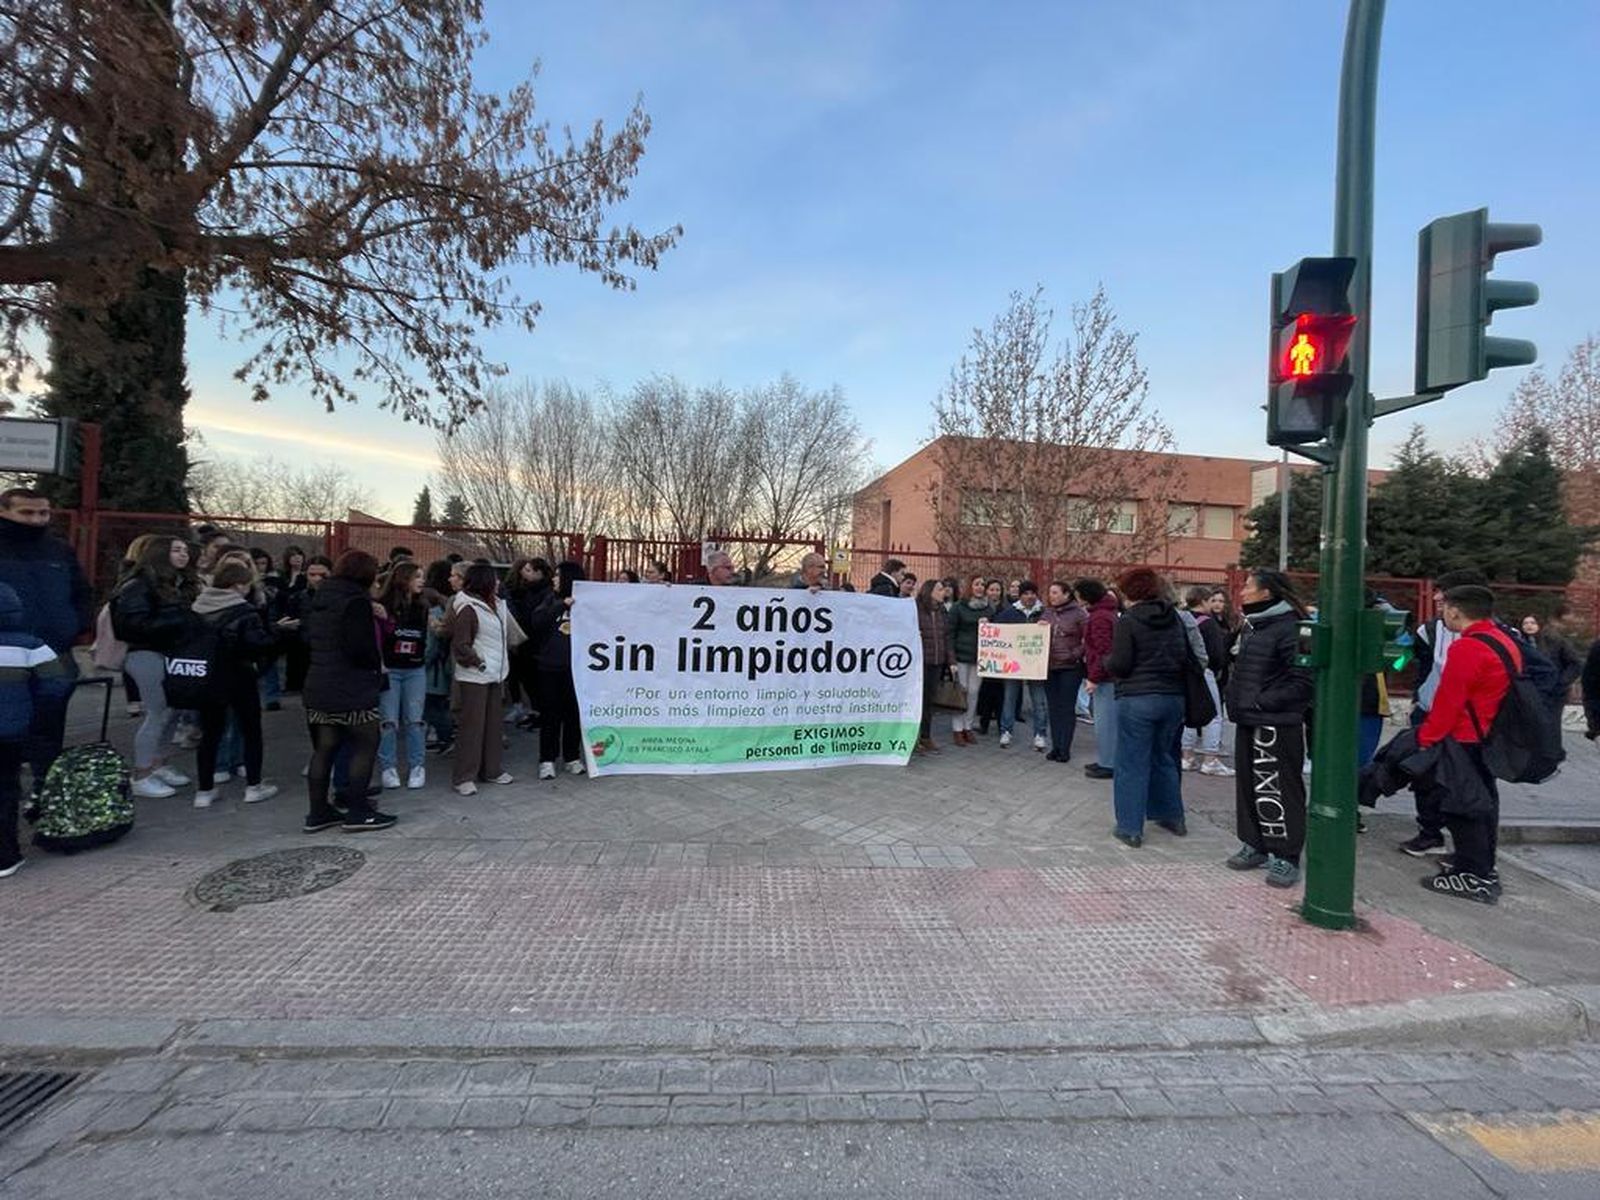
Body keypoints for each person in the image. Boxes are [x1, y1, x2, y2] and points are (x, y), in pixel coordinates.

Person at [1417, 585, 1523, 904]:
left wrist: (1427, 739)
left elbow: (1449, 701)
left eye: (1444, 607)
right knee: (1483, 806)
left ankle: (1472, 876)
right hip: (1487, 737)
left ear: (1455, 610)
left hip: (1464, 739)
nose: (1442, 613)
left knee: (1464, 809)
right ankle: (1481, 870)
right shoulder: (1504, 642)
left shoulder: (1467, 648)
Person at [1222, 570, 1315, 887]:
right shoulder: (1254, 625)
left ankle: (1286, 856)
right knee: (1249, 784)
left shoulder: (1295, 628)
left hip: (1276, 722)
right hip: (1249, 719)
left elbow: (1303, 681)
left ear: (1267, 593)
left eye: (1248, 586)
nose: (1242, 591)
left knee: (1278, 789)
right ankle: (1255, 844)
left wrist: (1262, 702)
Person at [0, 487, 92, 792]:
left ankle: (46, 790)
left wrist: (77, 625)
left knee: (52, 716)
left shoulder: (59, 550)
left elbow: (81, 591)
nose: (36, 519)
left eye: (43, 512)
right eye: (26, 512)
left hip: (55, 650)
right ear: (5, 512)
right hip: (7, 652)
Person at [301, 550, 395, 833]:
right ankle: (358, 811)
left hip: (318, 684)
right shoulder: (356, 603)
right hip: (351, 686)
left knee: (324, 748)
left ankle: (318, 812)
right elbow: (360, 649)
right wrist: (375, 669)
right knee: (365, 743)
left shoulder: (322, 598)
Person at [1402, 568, 1489, 856]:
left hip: (1470, 724)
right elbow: (1412, 664)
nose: (1437, 596)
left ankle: (1472, 852)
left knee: (1466, 785)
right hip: (1429, 713)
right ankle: (1429, 832)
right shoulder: (1428, 631)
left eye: (1445, 591)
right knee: (1425, 777)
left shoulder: (1495, 635)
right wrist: (1416, 695)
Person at [1104, 568, 1190, 848]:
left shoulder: (1128, 621)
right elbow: (1184, 656)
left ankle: (1130, 827)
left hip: (1138, 698)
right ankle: (1172, 815)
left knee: (1131, 763)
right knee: (1163, 756)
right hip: (1173, 698)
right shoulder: (1174, 618)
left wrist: (1107, 663)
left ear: (1129, 592)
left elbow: (1121, 663)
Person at [110, 536, 199, 798]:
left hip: (171, 652)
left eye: (185, 550)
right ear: (160, 554)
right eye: (176, 550)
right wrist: (181, 617)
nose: (183, 555)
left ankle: (159, 763)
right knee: (157, 712)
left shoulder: (174, 584)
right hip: (146, 654)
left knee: (172, 711)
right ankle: (141, 773)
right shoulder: (137, 585)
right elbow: (131, 626)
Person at [189, 561, 282, 808]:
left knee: (210, 734)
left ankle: (204, 790)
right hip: (239, 676)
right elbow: (257, 645)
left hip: (206, 677)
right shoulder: (244, 611)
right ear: (238, 585)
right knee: (251, 730)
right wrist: (276, 633)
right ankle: (253, 786)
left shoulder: (197, 607)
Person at [1, 582, 74, 877]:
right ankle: (5, 856)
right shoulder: (31, 645)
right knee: (6, 790)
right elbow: (56, 685)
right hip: (12, 731)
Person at [449, 562, 517, 795]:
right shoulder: (468, 608)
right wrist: (479, 662)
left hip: (496, 674)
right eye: (494, 579)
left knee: (493, 726)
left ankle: (492, 770)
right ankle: (464, 776)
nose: (498, 582)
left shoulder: (497, 604)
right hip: (474, 676)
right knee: (472, 728)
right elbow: (461, 644)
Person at [375, 561, 431, 791]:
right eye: (417, 576)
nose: (422, 580)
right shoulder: (382, 606)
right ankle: (388, 767)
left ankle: (417, 766)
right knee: (389, 721)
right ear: (404, 579)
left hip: (415, 669)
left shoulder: (422, 605)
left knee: (415, 720)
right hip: (391, 669)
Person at [529, 560, 587, 779]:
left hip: (576, 669)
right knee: (550, 715)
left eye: (558, 575)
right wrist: (562, 605)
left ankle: (572, 757)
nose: (553, 579)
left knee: (573, 714)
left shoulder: (586, 602)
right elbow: (537, 622)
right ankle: (547, 759)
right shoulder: (549, 599)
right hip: (549, 667)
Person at [1180, 585, 1233, 776]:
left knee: (1189, 713)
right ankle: (1211, 759)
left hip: (1184, 671)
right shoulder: (1209, 624)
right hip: (1204, 671)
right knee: (1213, 715)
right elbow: (1217, 654)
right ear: (1203, 601)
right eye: (1212, 600)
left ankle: (1187, 756)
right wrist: (1218, 668)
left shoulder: (1180, 618)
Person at [1038, 581, 1088, 763]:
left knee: (1066, 708)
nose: (1052, 595)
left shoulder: (1079, 614)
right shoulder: (1047, 613)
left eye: (1055, 592)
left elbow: (1088, 640)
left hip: (1070, 667)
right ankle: (1056, 746)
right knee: (1053, 707)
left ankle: (1065, 747)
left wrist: (1074, 654)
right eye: (1050, 592)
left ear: (1067, 594)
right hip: (1050, 666)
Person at [994, 581, 1048, 751]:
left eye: (1032, 593)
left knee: (1039, 701)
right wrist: (985, 623)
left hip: (1035, 665)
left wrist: (1046, 627)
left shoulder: (1044, 613)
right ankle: (1006, 731)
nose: (1029, 596)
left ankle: (1040, 734)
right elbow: (996, 629)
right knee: (1009, 698)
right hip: (1013, 664)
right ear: (1020, 595)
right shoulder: (1009, 612)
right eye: (1026, 593)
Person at [1077, 578, 1120, 780]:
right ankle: (1105, 759)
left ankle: (1108, 763)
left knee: (1105, 723)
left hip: (1105, 678)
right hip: (1106, 675)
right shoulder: (1105, 613)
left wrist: (1094, 677)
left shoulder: (1100, 617)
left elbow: (1103, 651)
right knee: (1104, 722)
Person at [503, 557, 550, 730]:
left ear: (539, 572)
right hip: (525, 642)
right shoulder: (528, 590)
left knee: (535, 682)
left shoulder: (544, 592)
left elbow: (538, 618)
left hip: (535, 644)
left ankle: (541, 714)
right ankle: (535, 712)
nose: (524, 573)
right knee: (527, 680)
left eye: (529, 570)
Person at [422, 559, 463, 754]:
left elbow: (434, 640)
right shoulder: (449, 602)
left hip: (435, 669)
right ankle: (445, 736)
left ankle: (445, 737)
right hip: (445, 665)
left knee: (433, 707)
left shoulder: (435, 609)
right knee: (440, 705)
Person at [946, 576, 992, 745]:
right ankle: (957, 729)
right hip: (961, 655)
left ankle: (968, 726)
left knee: (974, 692)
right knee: (961, 691)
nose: (980, 587)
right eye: (977, 584)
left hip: (980, 657)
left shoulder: (989, 608)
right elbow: (950, 633)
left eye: (982, 585)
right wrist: (951, 658)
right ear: (970, 587)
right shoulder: (959, 607)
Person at [282, 554, 332, 692]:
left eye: (322, 575)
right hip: (303, 652)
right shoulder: (297, 598)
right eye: (312, 574)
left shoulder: (339, 598)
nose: (317, 579)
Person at [914, 577, 952, 754]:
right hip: (921, 662)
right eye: (939, 589)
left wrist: (951, 661)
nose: (943, 592)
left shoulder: (942, 611)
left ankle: (926, 736)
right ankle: (914, 739)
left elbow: (946, 637)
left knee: (929, 701)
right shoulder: (916, 609)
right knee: (918, 701)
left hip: (937, 662)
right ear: (929, 591)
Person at [1519, 614, 1582, 713]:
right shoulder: (1519, 643)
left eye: (1532, 623)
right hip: (1529, 692)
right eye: (1525, 623)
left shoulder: (1554, 641)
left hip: (1553, 692)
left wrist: (1561, 683)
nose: (1529, 626)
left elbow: (1575, 663)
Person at [974, 579, 1007, 735]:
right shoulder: (981, 607)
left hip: (1001, 655)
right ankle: (984, 723)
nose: (994, 592)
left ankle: (1002, 724)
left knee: (1000, 692)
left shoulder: (1006, 609)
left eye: (997, 590)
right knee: (986, 691)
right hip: (986, 655)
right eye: (991, 589)